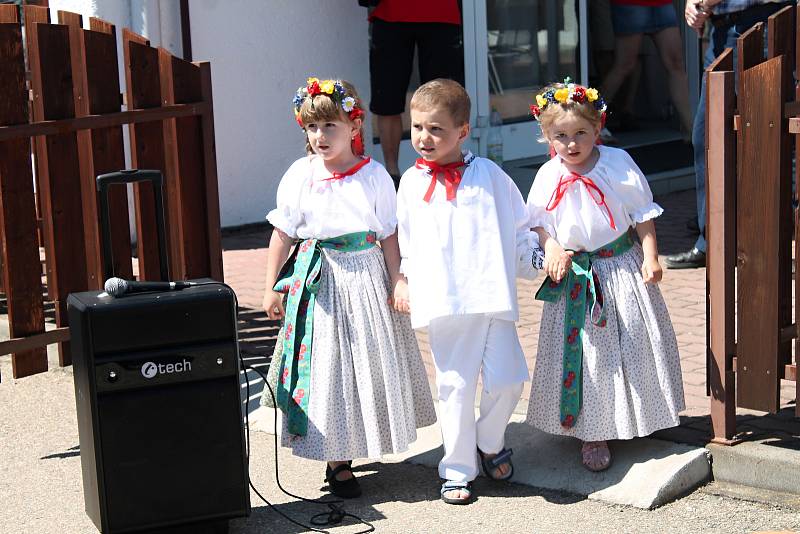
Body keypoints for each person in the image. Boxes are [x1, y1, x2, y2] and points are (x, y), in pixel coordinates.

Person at [261, 77, 436, 499]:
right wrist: (271, 288)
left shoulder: (374, 175)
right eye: (312, 129)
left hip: (364, 277)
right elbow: (283, 234)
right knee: (327, 364)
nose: (320, 137)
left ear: (354, 127)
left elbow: (389, 234)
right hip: (318, 279)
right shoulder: (300, 174)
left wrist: (398, 279)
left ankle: (359, 438)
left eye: (330, 127)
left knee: (366, 361)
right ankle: (336, 459)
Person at [395, 79, 542, 504]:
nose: (424, 137)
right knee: (455, 386)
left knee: (509, 379)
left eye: (436, 129)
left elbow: (519, 226)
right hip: (445, 301)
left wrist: (535, 258)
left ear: (462, 131)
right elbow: (406, 240)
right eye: (417, 127)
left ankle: (488, 441)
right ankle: (458, 469)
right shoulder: (409, 183)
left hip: (492, 294)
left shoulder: (491, 176)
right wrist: (403, 280)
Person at [526, 82, 685, 471]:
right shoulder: (548, 174)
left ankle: (637, 415)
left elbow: (642, 214)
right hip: (577, 276)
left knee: (630, 344)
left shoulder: (617, 163)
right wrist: (552, 248)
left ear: (598, 128)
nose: (571, 143)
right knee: (589, 355)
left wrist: (651, 257)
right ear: (547, 136)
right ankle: (592, 432)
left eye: (580, 133)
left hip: (620, 268)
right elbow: (539, 225)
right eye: (560, 136)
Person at [665, 0, 793, 269]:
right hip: (725, 29)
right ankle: (713, 237)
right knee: (711, 136)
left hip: (760, 22)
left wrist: (702, 2)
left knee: (762, 135)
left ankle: (765, 243)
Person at [367, 0, 464, 186]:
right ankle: (392, 177)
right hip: (390, 12)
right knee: (387, 100)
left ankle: (444, 170)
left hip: (440, 12)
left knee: (444, 102)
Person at [600, 0, 694, 138]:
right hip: (631, 4)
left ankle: (692, 132)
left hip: (662, 3)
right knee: (624, 65)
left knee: (676, 64)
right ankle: (589, 120)